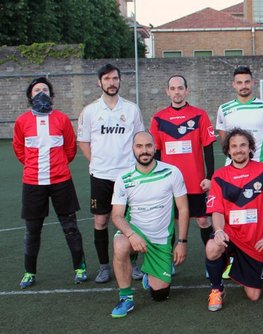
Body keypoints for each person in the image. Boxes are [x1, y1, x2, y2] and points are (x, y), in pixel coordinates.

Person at [13, 77, 86, 288]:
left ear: (51, 95)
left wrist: (59, 165)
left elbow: (70, 149)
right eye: (37, 90)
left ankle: (80, 268)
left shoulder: (62, 119)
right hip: (33, 183)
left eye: (45, 89)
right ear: (30, 96)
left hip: (61, 181)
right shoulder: (22, 121)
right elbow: (20, 150)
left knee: (70, 227)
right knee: (32, 230)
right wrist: (34, 168)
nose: (41, 93)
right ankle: (29, 272)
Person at [204, 128, 263, 311]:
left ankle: (239, 267)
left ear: (250, 148)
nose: (238, 150)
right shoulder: (219, 176)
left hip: (254, 242)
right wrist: (218, 230)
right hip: (230, 235)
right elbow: (216, 210)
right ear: (228, 150)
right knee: (212, 247)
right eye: (234, 146)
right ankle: (216, 289)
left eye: (243, 145)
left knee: (254, 296)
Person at [109, 132, 189, 318]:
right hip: (135, 232)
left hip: (160, 239)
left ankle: (148, 273)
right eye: (139, 146)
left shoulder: (171, 172)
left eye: (148, 146)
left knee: (160, 295)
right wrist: (131, 234)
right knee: (120, 245)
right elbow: (117, 216)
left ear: (154, 147)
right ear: (133, 149)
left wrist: (182, 242)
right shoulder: (124, 178)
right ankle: (126, 298)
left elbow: (183, 209)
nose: (144, 151)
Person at [77, 63, 145, 283]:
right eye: (107, 79)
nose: (111, 83)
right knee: (101, 220)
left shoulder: (131, 109)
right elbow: (84, 142)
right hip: (101, 176)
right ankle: (104, 266)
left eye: (115, 79)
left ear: (120, 81)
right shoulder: (90, 111)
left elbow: (139, 140)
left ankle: (133, 264)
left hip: (127, 176)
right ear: (100, 82)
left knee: (130, 220)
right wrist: (98, 162)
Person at [215, 66, 263, 277]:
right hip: (232, 173)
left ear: (253, 83)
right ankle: (232, 260)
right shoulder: (224, 109)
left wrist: (260, 160)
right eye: (239, 82)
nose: (243, 86)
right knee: (233, 215)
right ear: (233, 85)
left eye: (247, 82)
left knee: (261, 217)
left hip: (258, 173)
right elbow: (224, 142)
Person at [150, 75, 217, 273]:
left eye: (180, 88)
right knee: (170, 222)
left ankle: (211, 259)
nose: (177, 92)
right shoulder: (158, 118)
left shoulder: (199, 115)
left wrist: (209, 176)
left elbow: (208, 148)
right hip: (170, 184)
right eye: (173, 88)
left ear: (186, 91)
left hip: (195, 181)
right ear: (167, 92)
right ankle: (168, 262)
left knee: (204, 220)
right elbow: (156, 153)